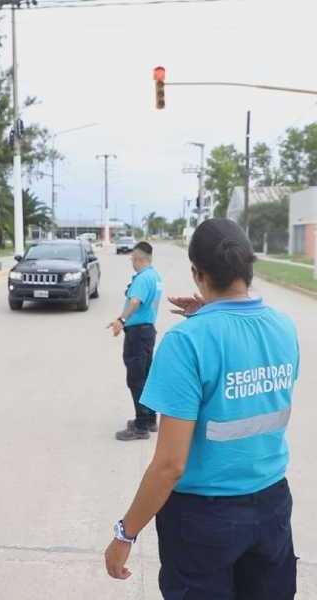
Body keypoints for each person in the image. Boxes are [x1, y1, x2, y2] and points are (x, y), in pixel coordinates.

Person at [104, 218, 300, 599]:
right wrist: (212, 313)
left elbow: (169, 465)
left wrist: (125, 532)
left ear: (197, 273)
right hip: (272, 507)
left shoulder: (186, 342)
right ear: (248, 268)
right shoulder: (284, 327)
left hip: (203, 521)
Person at [107, 241, 163, 441]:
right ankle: (149, 419)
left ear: (139, 259)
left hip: (138, 335)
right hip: (147, 332)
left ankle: (140, 426)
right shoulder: (156, 277)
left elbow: (135, 301)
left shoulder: (142, 278)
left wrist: (121, 320)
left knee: (136, 379)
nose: (132, 262)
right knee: (146, 377)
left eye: (132, 258)